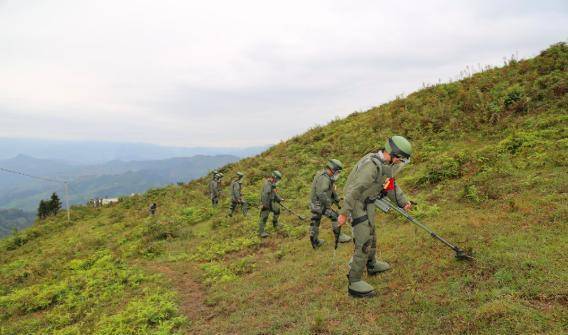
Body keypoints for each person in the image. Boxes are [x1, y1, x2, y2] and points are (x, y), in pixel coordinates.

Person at [338, 136, 413, 298]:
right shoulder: (371, 166)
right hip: (356, 203)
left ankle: (371, 264)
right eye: (400, 159)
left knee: (372, 233)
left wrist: (403, 201)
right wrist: (344, 212)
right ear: (393, 154)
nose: (401, 162)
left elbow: (389, 184)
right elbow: (354, 190)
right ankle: (354, 281)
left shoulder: (385, 164)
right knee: (364, 239)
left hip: (368, 201)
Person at [309, 159, 352, 249]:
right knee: (335, 216)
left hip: (315, 204)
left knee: (315, 222)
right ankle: (339, 237)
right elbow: (321, 193)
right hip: (319, 205)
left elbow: (331, 189)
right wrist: (328, 203)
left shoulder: (326, 176)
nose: (338, 173)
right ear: (332, 169)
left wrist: (336, 199)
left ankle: (315, 242)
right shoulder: (324, 178)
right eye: (338, 171)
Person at [258, 171, 284, 237]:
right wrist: (264, 205)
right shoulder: (268, 184)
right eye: (277, 178)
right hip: (266, 202)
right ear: (274, 177)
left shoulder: (273, 184)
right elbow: (264, 195)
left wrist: (279, 199)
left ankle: (275, 223)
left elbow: (274, 193)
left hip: (271, 201)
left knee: (277, 210)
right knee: (264, 217)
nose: (278, 180)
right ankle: (261, 232)